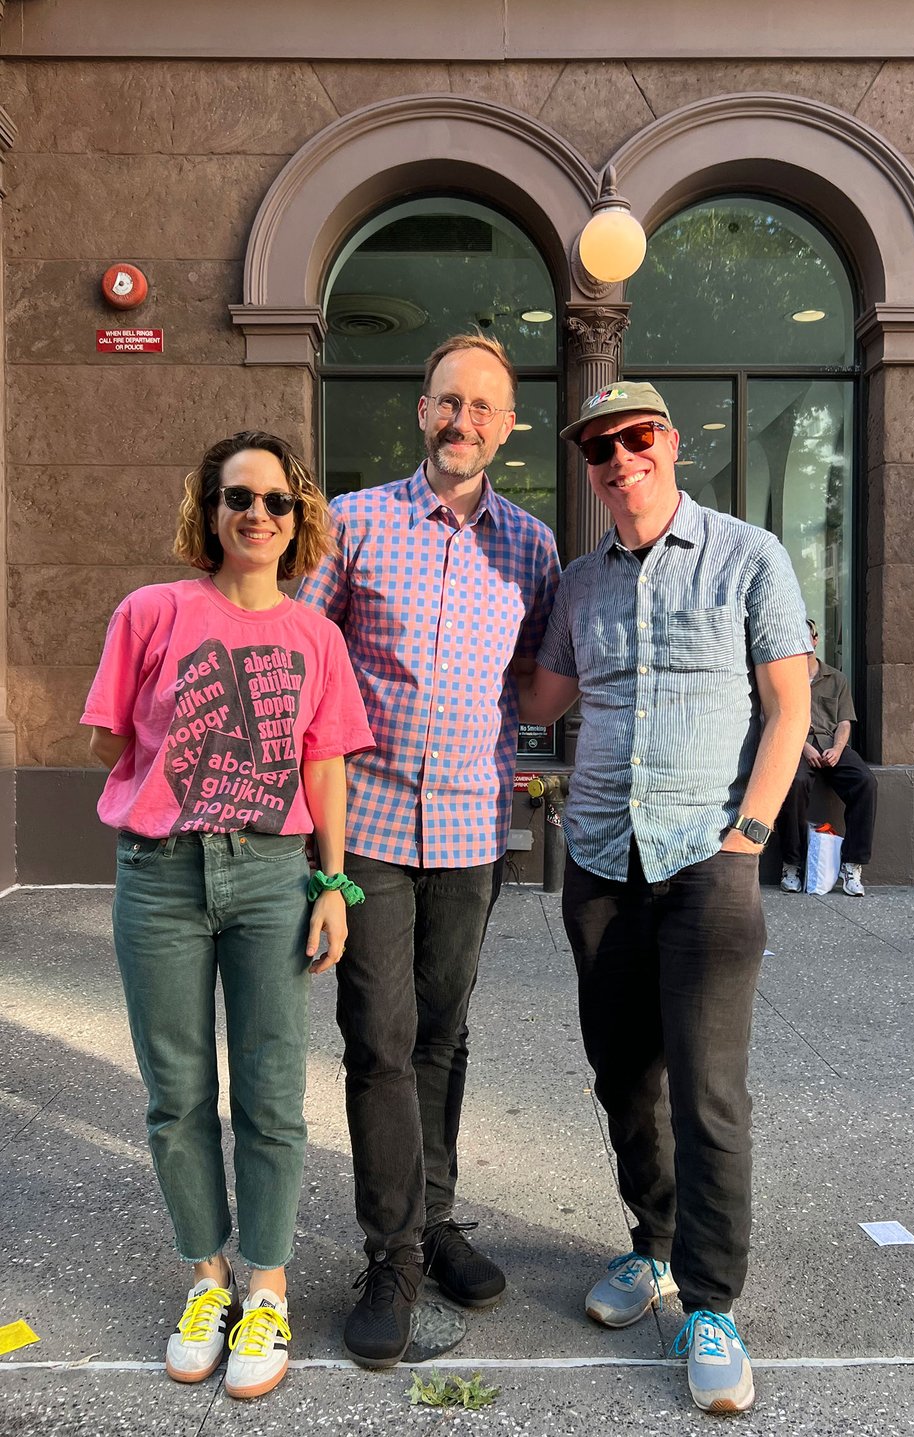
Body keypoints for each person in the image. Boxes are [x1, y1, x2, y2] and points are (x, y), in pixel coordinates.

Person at [517, 381, 811, 1415]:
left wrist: (752, 834)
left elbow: (789, 704)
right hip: (599, 862)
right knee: (620, 1077)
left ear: (672, 444)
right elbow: (540, 695)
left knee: (709, 1092)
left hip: (705, 861)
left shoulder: (747, 556)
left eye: (636, 437)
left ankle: (713, 1302)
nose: (619, 458)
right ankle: (652, 1244)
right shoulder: (580, 585)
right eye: (601, 447)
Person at [81, 431, 374, 1400]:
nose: (258, 515)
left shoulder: (315, 637)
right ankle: (207, 1279)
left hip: (270, 878)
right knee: (175, 1094)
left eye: (277, 502)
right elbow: (111, 741)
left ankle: (269, 1285)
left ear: (300, 522)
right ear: (208, 511)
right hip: (161, 877)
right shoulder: (150, 612)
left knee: (271, 1094)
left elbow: (325, 767)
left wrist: (333, 887)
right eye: (237, 498)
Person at [298, 334, 560, 1368]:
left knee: (444, 1033)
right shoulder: (352, 526)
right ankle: (391, 1254)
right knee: (379, 1036)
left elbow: (536, 680)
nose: (464, 423)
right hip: (361, 828)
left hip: (466, 830)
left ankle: (434, 1217)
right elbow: (307, 666)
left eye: (484, 409)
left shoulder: (530, 549)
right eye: (448, 403)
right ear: (422, 411)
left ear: (506, 426)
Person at [777, 618, 878, 896]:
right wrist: (805, 748)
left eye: (806, 637)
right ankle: (792, 864)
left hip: (833, 746)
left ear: (815, 639)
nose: (802, 643)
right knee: (794, 784)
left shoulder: (837, 678)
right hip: (800, 747)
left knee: (865, 782)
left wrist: (837, 747)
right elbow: (780, 720)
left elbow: (845, 721)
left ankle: (852, 864)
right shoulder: (785, 679)